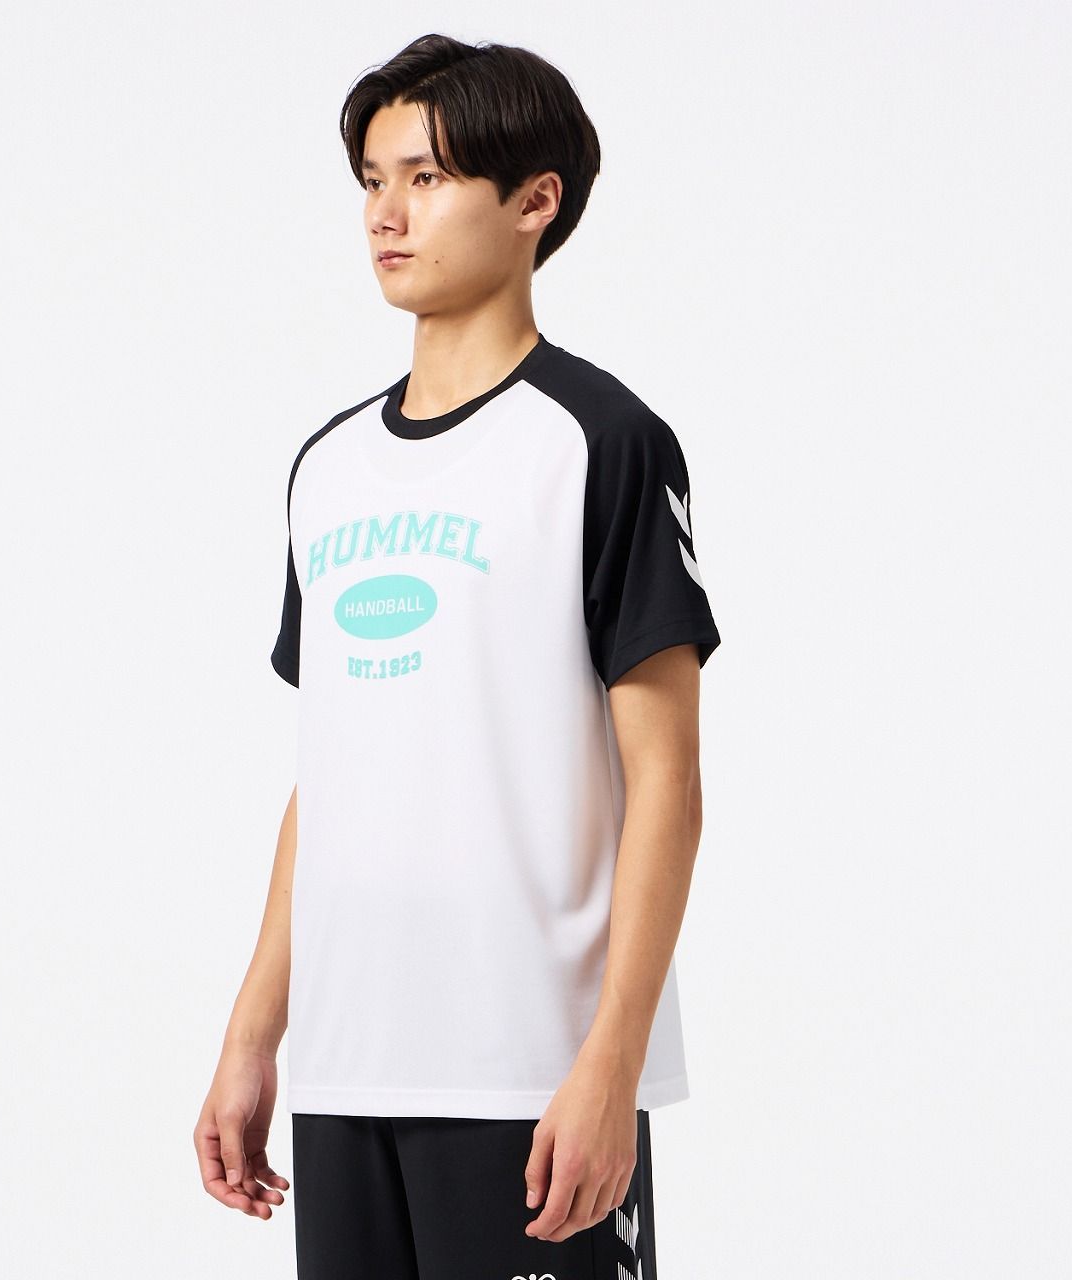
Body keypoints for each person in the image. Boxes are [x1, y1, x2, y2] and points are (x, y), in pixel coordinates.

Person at [194, 32, 722, 1279]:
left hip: (532, 1075)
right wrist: (254, 1031)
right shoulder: (328, 468)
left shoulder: (600, 440)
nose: (385, 214)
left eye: (424, 178)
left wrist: (608, 1063)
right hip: (345, 1069)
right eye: (372, 181)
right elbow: (330, 774)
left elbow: (666, 778)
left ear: (534, 201)